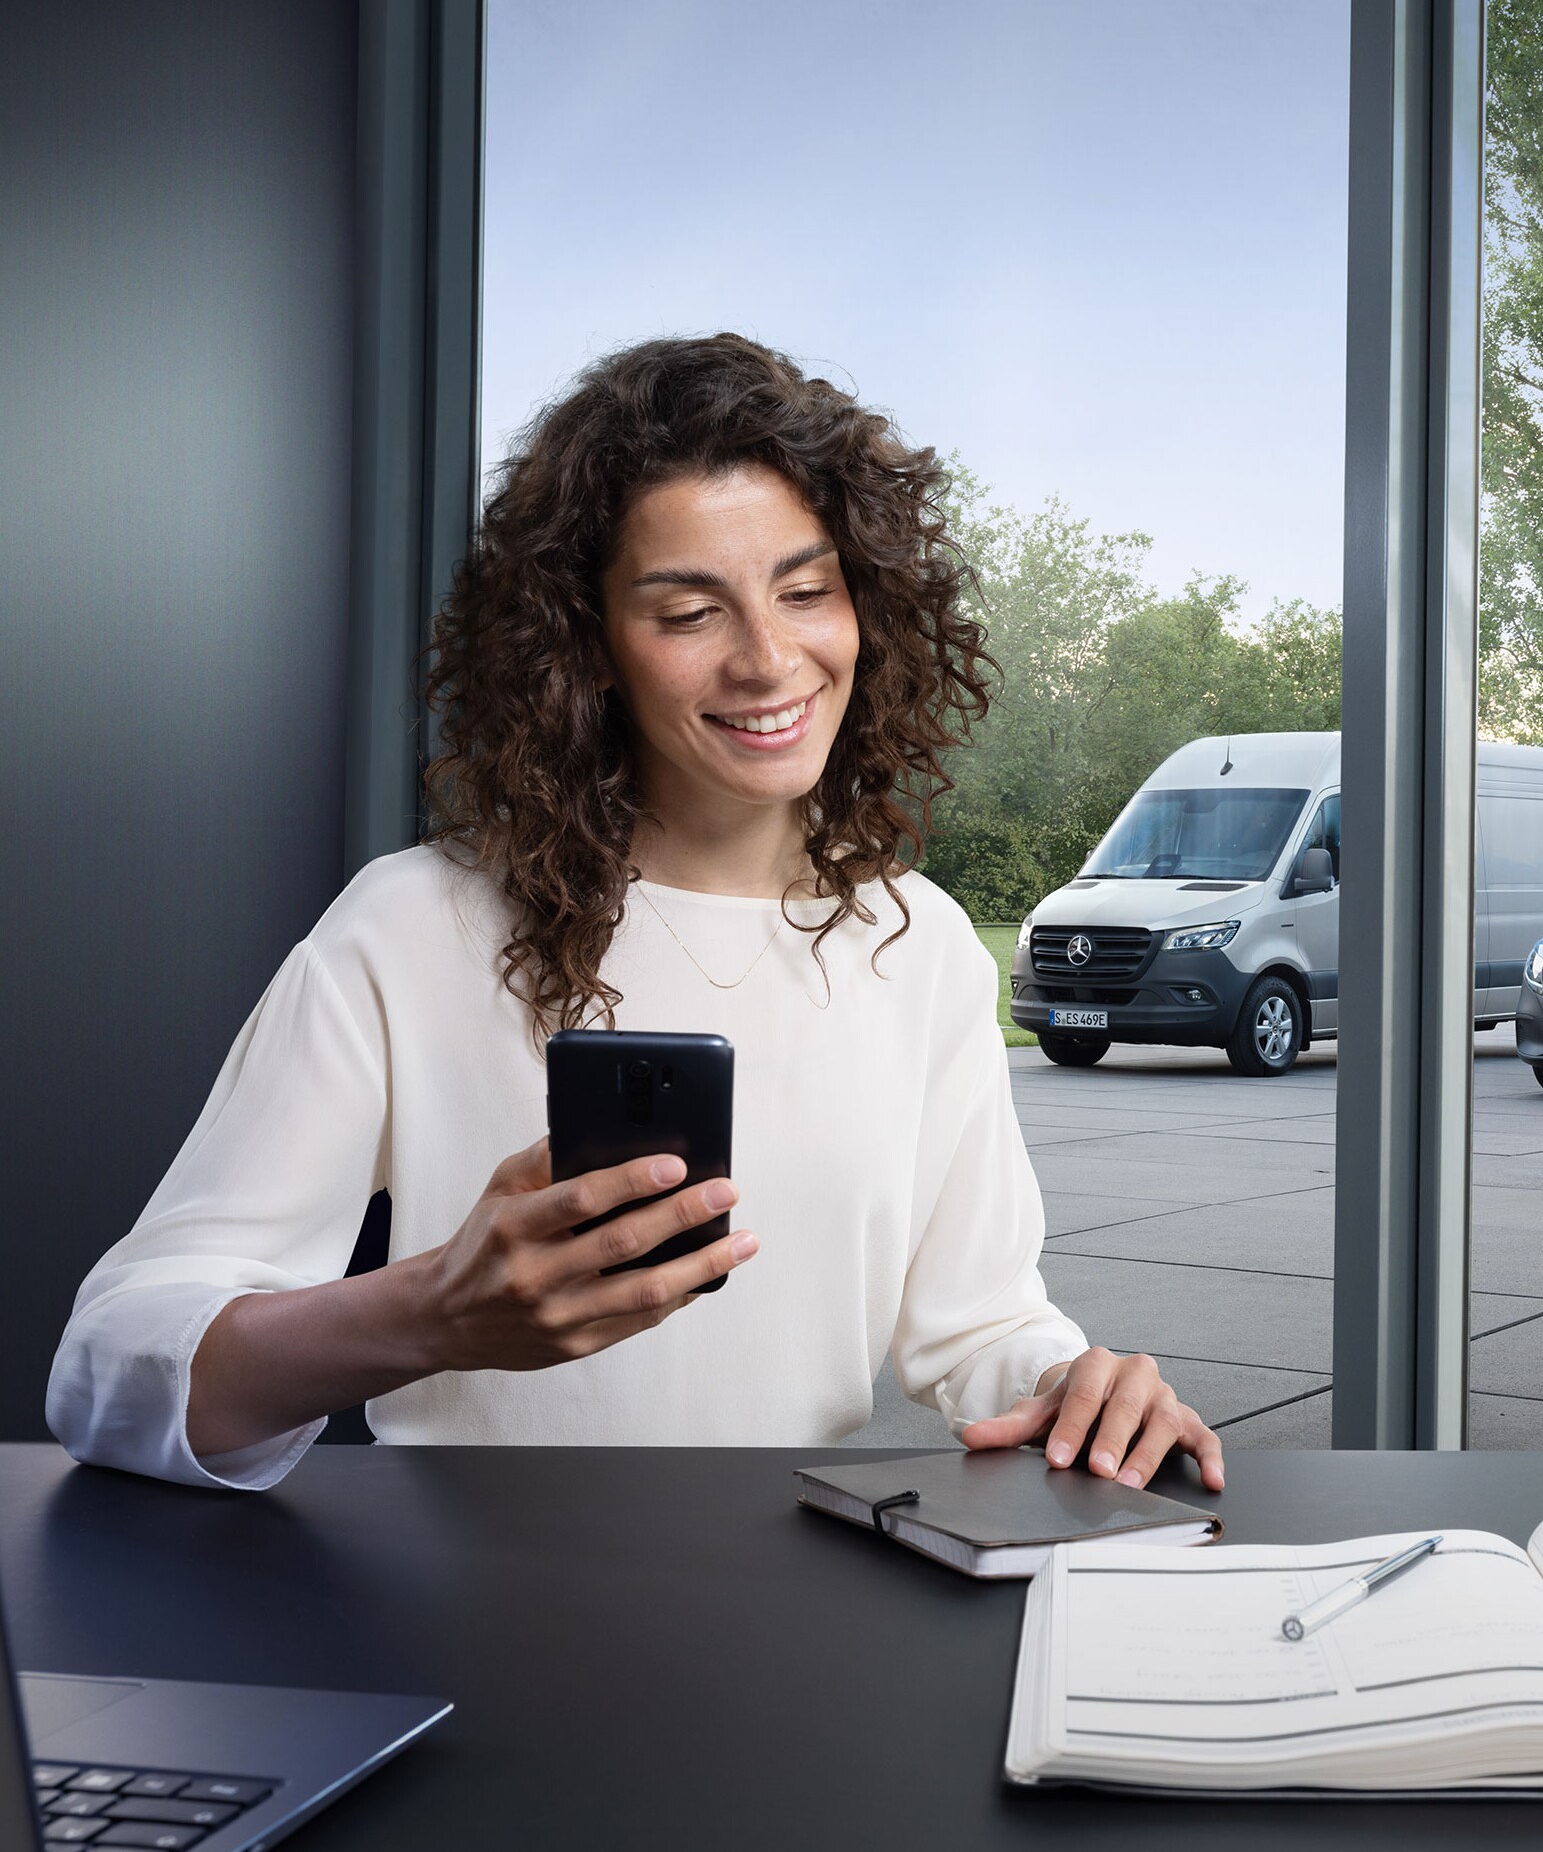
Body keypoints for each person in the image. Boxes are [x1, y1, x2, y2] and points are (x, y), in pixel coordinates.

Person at [47, 333, 1224, 1495]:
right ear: (587, 646)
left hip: (790, 1612)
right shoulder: (408, 927)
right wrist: (430, 1313)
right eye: (687, 611)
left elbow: (978, 1327)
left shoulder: (919, 948)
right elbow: (107, 1371)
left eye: (806, 591)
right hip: (461, 1625)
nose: (770, 661)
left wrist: (1078, 1382)